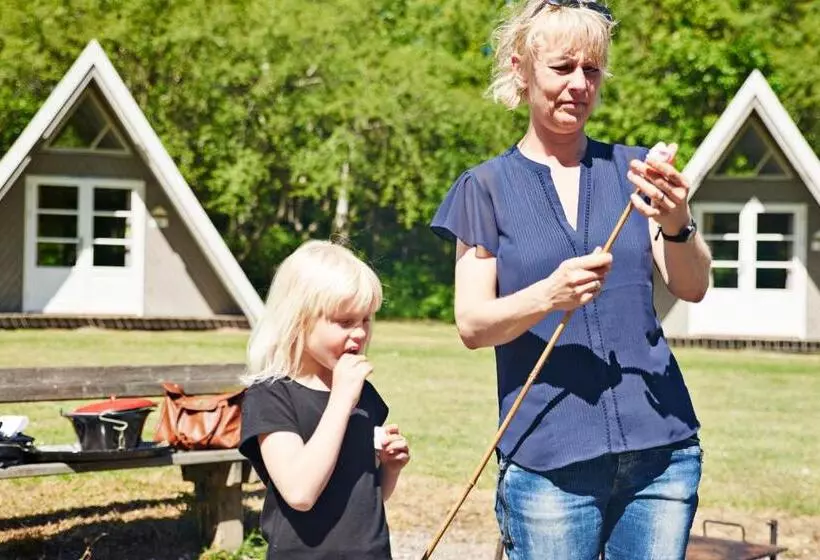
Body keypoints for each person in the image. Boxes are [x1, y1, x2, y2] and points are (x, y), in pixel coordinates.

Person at [430, 1, 712, 559]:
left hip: (662, 453)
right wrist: (546, 297)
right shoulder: (484, 188)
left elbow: (694, 285)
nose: (579, 84)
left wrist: (677, 221)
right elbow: (472, 324)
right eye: (562, 68)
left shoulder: (635, 171)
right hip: (548, 461)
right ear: (521, 69)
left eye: (592, 70)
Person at [239, 240, 410, 559]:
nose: (359, 334)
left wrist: (389, 469)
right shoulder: (271, 396)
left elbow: (363, 500)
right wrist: (342, 401)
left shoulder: (363, 393)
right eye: (345, 322)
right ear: (298, 320)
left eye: (366, 320)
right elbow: (300, 492)